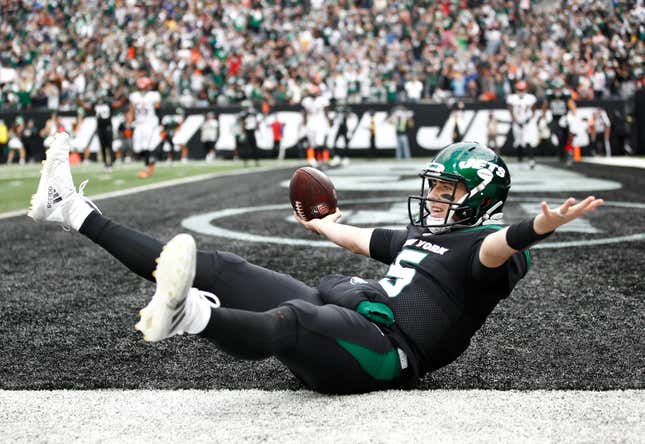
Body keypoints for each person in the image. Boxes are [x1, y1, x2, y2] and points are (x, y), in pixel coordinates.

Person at [27, 133, 603, 395]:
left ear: (478, 199)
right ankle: (73, 211)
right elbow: (360, 240)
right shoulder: (423, 235)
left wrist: (540, 227)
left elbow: (502, 244)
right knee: (221, 265)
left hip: (384, 354)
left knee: (295, 322)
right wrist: (322, 224)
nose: (432, 198)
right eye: (434, 186)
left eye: (446, 190)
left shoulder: (485, 249)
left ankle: (191, 320)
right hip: (353, 313)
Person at [127, 77, 161, 178]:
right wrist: (129, 123)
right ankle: (151, 160)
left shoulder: (154, 95)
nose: (142, 90)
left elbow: (158, 109)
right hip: (138, 123)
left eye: (144, 87)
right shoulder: (134, 96)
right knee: (137, 148)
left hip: (150, 123)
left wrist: (160, 123)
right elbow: (131, 110)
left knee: (147, 145)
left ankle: (147, 167)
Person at [507, 81, 537, 168]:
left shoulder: (530, 98)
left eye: (522, 89)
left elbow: (533, 109)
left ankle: (531, 159)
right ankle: (520, 159)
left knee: (529, 140)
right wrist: (515, 120)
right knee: (518, 141)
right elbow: (510, 109)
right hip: (517, 121)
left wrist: (529, 119)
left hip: (528, 122)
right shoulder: (512, 98)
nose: (520, 91)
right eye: (519, 89)